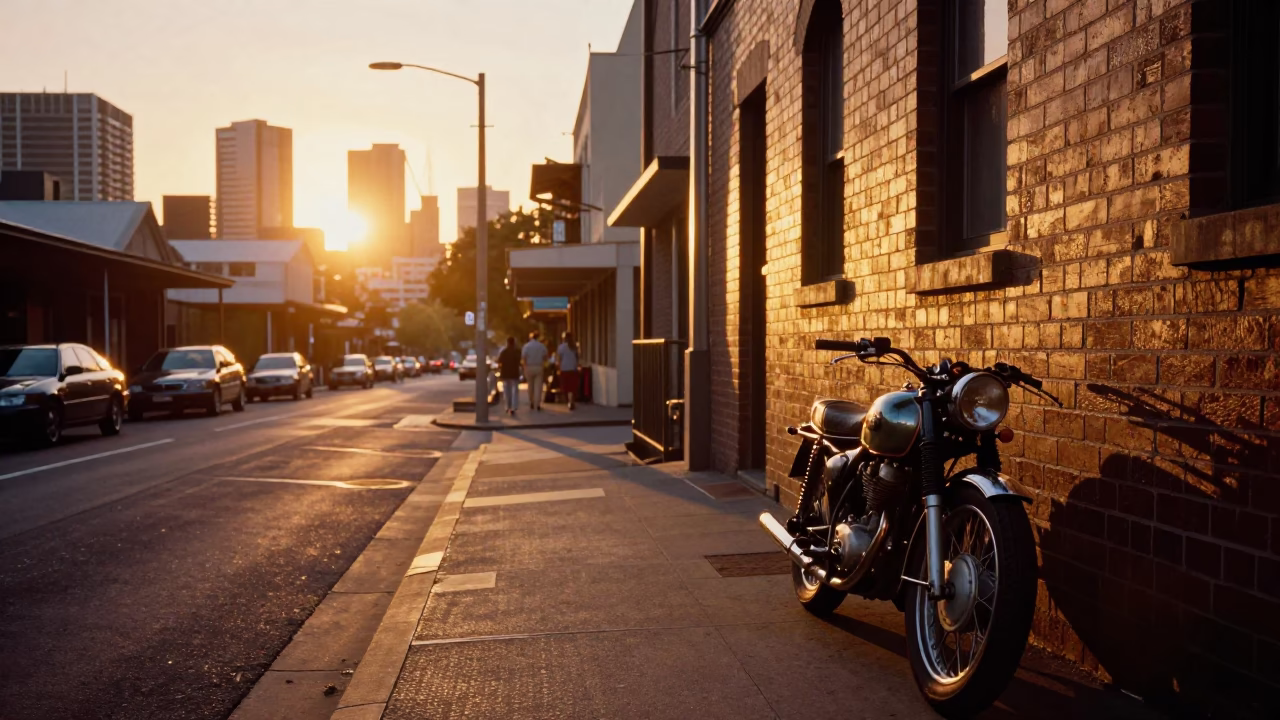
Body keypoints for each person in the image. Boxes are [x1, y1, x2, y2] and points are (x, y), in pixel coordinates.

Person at [521, 331, 548, 411]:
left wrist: (524, 367)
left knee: (530, 385)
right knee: (538, 386)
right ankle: (538, 404)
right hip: (539, 366)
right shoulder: (542, 346)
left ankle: (531, 401)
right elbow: (545, 357)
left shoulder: (526, 346)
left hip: (529, 366)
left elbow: (524, 358)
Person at [497, 336, 522, 416]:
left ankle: (507, 406)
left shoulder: (504, 352)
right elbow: (520, 361)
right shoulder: (517, 351)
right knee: (515, 390)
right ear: (514, 343)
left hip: (505, 373)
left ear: (507, 343)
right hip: (514, 373)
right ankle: (514, 407)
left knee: (506, 390)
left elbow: (499, 361)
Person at [556, 331, 580, 411]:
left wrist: (558, 368)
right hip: (573, 369)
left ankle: (569, 401)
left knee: (566, 387)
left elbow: (559, 359)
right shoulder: (575, 346)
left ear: (564, 338)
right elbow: (577, 357)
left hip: (564, 369)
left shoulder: (561, 347)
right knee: (572, 387)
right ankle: (571, 401)